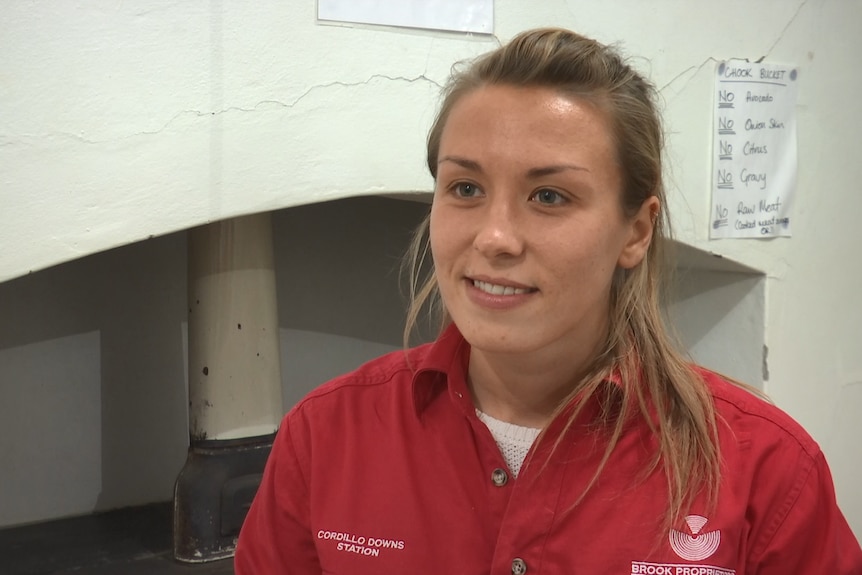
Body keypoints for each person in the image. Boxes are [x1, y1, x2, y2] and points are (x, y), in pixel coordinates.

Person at [235, 28, 862, 573]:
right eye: (465, 187)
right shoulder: (325, 437)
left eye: (550, 197)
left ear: (636, 231)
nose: (495, 237)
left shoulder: (765, 468)